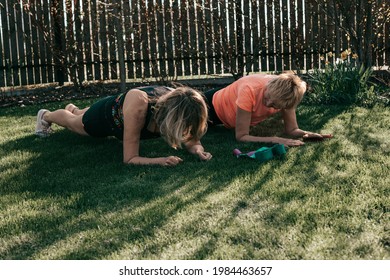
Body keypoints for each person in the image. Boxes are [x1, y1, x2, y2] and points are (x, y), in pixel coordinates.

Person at [35, 86, 212, 166]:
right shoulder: (140, 107)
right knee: (77, 125)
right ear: (172, 117)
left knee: (79, 115)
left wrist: (197, 149)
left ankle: (74, 109)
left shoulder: (179, 103)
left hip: (122, 108)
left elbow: (191, 139)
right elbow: (129, 158)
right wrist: (160, 160)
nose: (185, 130)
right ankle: (47, 115)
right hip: (106, 117)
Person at [204, 73, 330, 146]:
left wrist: (305, 134)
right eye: (267, 97)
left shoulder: (287, 96)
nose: (268, 103)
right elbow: (241, 136)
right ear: (269, 87)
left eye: (275, 105)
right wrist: (276, 139)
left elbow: (291, 129)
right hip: (208, 106)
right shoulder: (249, 89)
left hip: (222, 118)